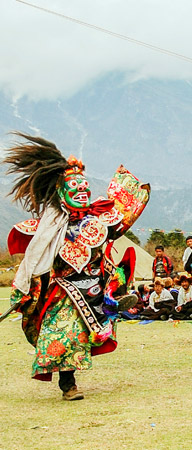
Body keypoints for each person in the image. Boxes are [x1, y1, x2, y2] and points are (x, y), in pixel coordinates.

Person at [4, 133, 149, 400]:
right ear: (60, 192)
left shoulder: (100, 219)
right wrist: (25, 289)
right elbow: (34, 262)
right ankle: (68, 384)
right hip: (63, 289)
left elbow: (123, 217)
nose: (82, 191)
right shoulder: (47, 228)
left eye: (85, 187)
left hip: (95, 283)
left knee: (84, 331)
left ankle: (115, 296)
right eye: (75, 187)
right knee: (62, 333)